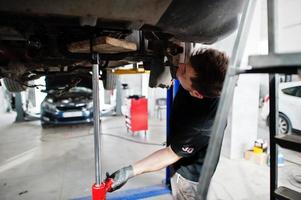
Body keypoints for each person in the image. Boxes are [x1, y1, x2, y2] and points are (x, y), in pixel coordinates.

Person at [107, 48, 229, 199]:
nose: (180, 69)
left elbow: (169, 155)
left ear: (196, 93)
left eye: (184, 73)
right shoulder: (204, 79)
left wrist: (129, 171)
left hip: (189, 178)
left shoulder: (202, 127)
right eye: (186, 65)